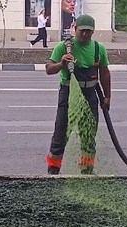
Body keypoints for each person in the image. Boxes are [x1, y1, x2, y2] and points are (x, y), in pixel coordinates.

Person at [45, 13, 112, 174]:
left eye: (88, 31)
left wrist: (107, 96)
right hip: (68, 94)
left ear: (93, 32)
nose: (84, 34)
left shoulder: (98, 48)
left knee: (88, 134)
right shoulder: (63, 47)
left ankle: (87, 170)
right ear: (75, 29)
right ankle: (53, 171)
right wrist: (62, 63)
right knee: (60, 134)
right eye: (82, 30)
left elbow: (104, 73)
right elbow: (48, 69)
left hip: (90, 95)